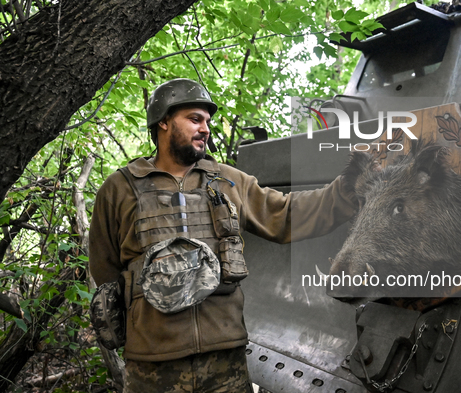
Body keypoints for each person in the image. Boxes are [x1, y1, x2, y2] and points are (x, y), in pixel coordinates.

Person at [88, 78, 358, 393]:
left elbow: (286, 215)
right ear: (162, 121)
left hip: (225, 363)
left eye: (207, 121)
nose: (205, 128)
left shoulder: (228, 181)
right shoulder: (119, 188)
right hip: (152, 368)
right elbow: (104, 269)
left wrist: (348, 188)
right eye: (194, 119)